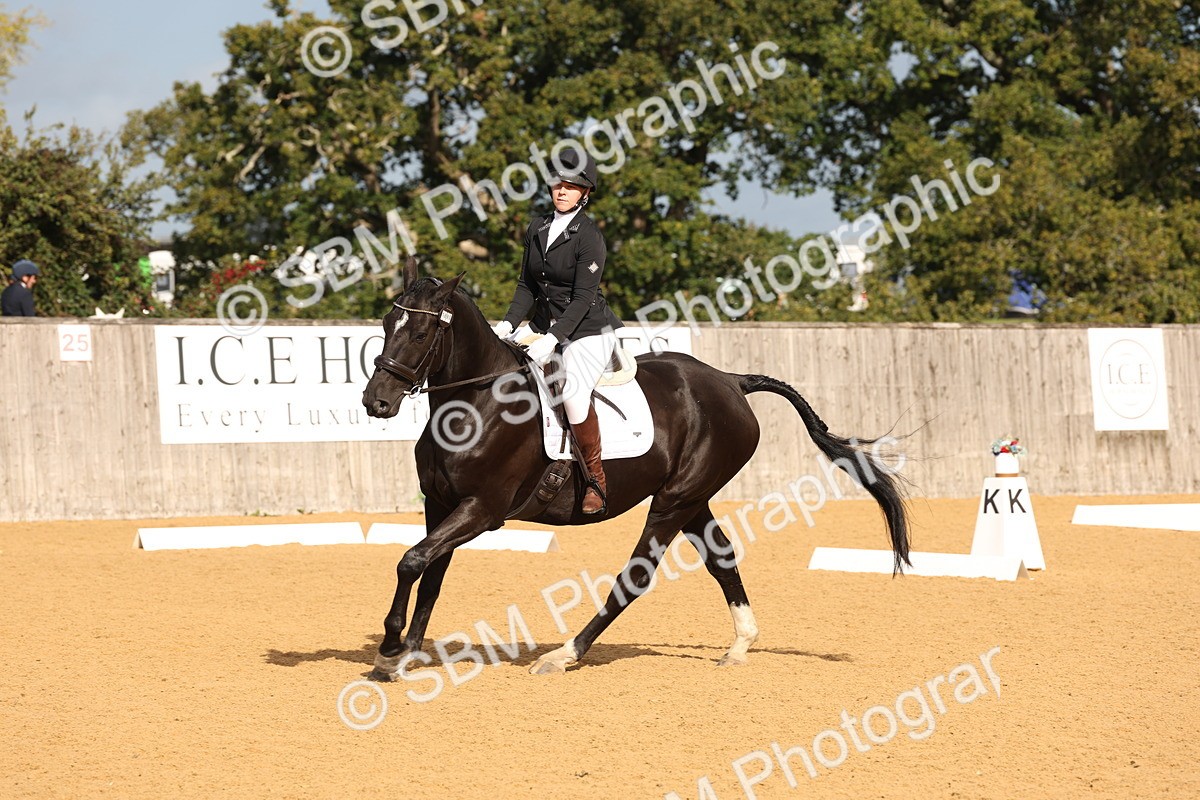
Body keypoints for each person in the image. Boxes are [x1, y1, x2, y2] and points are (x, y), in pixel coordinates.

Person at [492, 148, 622, 514]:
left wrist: (550, 339)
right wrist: (507, 325)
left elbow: (582, 299)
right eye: (558, 184)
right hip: (543, 325)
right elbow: (525, 286)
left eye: (571, 186)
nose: (562, 191)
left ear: (585, 193)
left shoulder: (589, 237)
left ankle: (596, 479)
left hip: (589, 331)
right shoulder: (537, 228)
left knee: (574, 392)